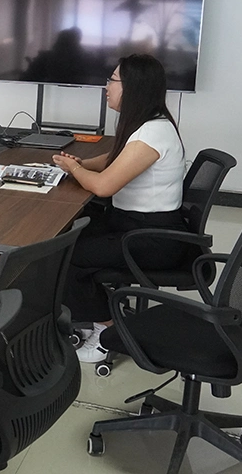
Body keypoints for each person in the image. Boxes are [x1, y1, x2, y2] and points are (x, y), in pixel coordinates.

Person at [50, 54, 187, 363]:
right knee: (66, 233)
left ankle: (108, 329)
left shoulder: (152, 134)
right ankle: (99, 305)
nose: (106, 87)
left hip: (152, 239)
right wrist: (80, 163)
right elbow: (113, 159)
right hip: (134, 223)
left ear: (134, 87)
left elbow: (103, 186)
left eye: (112, 80)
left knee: (61, 253)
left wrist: (75, 172)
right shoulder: (147, 124)